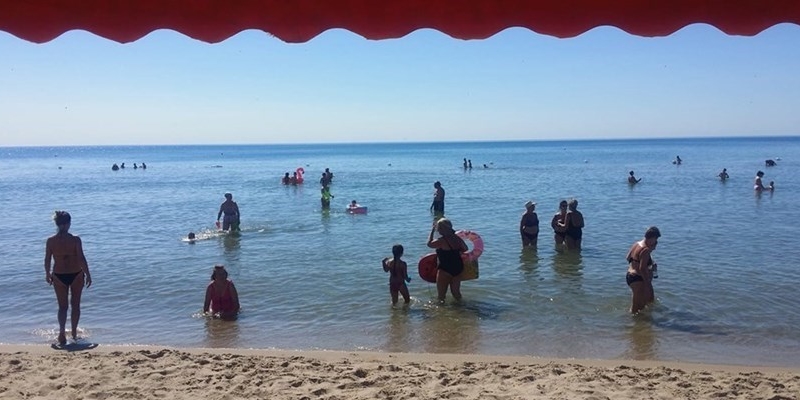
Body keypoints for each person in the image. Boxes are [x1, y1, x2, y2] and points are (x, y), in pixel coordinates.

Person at [44, 211, 92, 345]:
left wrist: (47, 273)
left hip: (59, 275)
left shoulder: (51, 241)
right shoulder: (75, 239)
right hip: (76, 274)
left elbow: (47, 259)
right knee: (75, 305)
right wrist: (88, 274)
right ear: (66, 224)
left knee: (62, 307)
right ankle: (74, 333)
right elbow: (81, 258)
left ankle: (61, 333)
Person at [427, 218, 468, 302]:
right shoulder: (457, 238)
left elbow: (429, 244)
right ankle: (461, 309)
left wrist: (432, 231)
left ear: (441, 229)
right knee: (456, 293)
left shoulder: (441, 241)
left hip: (445, 269)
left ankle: (442, 313)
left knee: (441, 296)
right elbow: (465, 249)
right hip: (458, 268)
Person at [626, 226, 661, 314]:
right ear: (652, 238)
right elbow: (642, 268)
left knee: (641, 303)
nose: (656, 242)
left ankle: (640, 324)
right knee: (638, 307)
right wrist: (648, 283)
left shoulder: (637, 244)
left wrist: (637, 264)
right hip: (638, 279)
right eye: (656, 239)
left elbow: (628, 258)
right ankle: (634, 324)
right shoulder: (645, 250)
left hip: (630, 276)